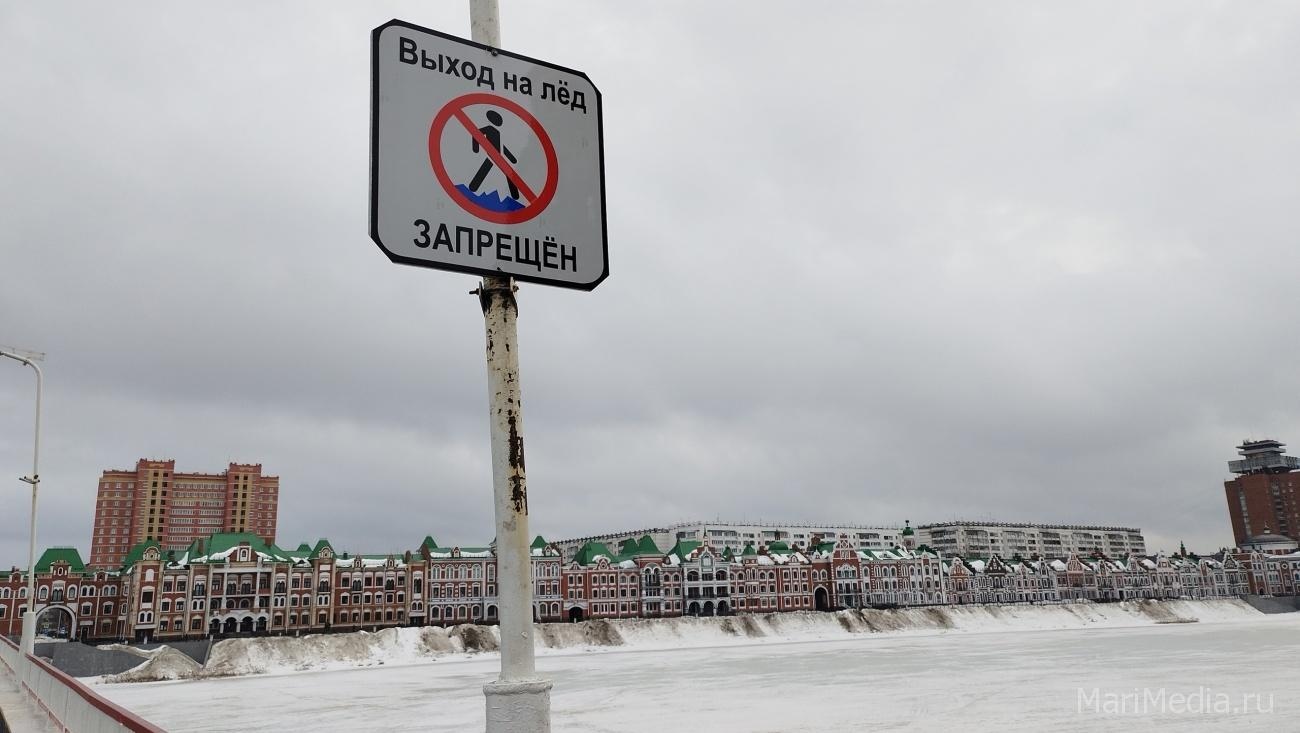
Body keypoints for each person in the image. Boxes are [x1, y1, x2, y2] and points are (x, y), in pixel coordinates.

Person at [467, 109, 519, 200]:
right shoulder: (488, 128)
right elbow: (476, 134)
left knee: (506, 174)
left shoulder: (498, 132)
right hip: (492, 155)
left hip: (499, 157)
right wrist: (476, 148)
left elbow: (502, 147)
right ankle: (472, 187)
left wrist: (512, 158)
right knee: (483, 171)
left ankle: (515, 195)